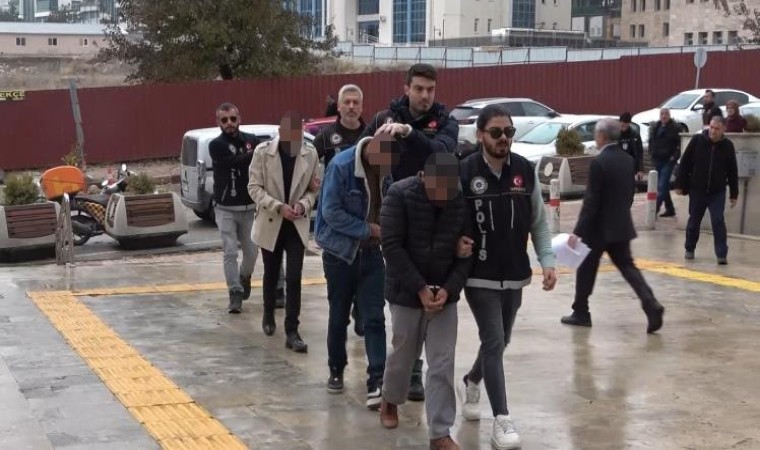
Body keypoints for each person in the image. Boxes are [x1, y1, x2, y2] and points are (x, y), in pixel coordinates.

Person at [456, 105, 557, 450]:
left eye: (509, 132)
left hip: (515, 273)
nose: (503, 138)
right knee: (494, 339)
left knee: (500, 340)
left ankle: (472, 380)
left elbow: (539, 222)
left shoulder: (525, 171)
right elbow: (450, 218)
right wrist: (454, 243)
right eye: (496, 132)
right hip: (479, 274)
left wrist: (547, 261)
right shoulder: (465, 171)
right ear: (480, 135)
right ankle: (501, 419)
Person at [361, 62, 459, 402]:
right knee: (403, 292)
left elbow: (441, 153)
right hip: (397, 213)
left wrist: (408, 133)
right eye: (418, 89)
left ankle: (418, 370)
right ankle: (409, 370)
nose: (424, 95)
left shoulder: (445, 122)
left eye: (430, 90)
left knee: (430, 289)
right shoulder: (383, 118)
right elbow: (363, 156)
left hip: (435, 216)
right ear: (406, 88)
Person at [379, 152, 472, 450]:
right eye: (437, 190)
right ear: (424, 177)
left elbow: (468, 251)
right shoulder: (399, 195)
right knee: (404, 355)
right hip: (406, 292)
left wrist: (449, 288)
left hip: (444, 293)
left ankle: (440, 433)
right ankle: (390, 398)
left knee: (442, 362)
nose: (443, 197)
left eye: (449, 190)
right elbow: (391, 247)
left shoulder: (459, 200)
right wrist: (419, 288)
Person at [560, 118, 665, 334]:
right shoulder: (627, 160)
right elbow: (629, 193)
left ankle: (581, 312)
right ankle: (650, 303)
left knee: (586, 268)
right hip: (620, 224)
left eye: (596, 134)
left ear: (602, 136)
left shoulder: (599, 162)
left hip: (598, 228)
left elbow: (591, 201)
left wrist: (578, 232)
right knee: (627, 266)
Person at [314, 133, 394, 408]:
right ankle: (336, 368)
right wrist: (368, 229)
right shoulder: (341, 166)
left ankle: (377, 381)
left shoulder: (387, 169)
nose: (385, 169)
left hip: (372, 255)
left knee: (375, 318)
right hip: (340, 255)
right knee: (339, 316)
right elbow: (330, 212)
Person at [248, 112, 319, 352]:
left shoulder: (310, 153)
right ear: (280, 131)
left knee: (294, 276)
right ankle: (268, 312)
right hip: (272, 220)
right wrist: (278, 206)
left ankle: (292, 330)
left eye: (298, 132)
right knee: (271, 272)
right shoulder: (263, 152)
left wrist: (303, 205)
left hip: (296, 223)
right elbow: (254, 188)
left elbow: (313, 189)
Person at [314, 83, 367, 337]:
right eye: (347, 102)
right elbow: (307, 162)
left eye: (356, 102)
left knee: (365, 279)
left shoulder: (370, 136)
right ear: (339, 106)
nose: (351, 107)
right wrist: (312, 182)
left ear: (362, 107)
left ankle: (360, 311)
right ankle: (342, 316)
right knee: (338, 292)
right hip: (335, 220)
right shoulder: (326, 137)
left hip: (363, 216)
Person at [208, 103, 260, 314]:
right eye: (224, 120)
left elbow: (261, 160)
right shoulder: (216, 145)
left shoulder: (251, 140)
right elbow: (234, 162)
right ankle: (235, 292)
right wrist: (256, 152)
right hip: (225, 208)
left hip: (248, 207)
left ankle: (244, 276)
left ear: (239, 118)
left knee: (252, 252)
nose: (229, 123)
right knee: (230, 251)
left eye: (232, 119)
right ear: (218, 122)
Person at [676, 116, 739, 265]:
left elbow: (732, 171)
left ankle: (721, 254)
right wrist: (680, 184)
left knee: (718, 220)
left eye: (717, 129)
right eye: (711, 127)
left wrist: (734, 194)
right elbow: (684, 163)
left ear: (723, 129)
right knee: (694, 221)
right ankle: (689, 248)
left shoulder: (728, 146)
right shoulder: (697, 141)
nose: (713, 131)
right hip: (697, 190)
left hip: (717, 192)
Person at [648, 108, 681, 218]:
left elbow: (680, 145)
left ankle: (654, 210)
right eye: (662, 114)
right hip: (657, 159)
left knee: (661, 186)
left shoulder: (675, 128)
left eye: (666, 114)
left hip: (668, 160)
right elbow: (651, 141)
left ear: (669, 115)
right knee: (664, 186)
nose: (664, 116)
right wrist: (651, 152)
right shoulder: (656, 126)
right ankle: (670, 209)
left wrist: (674, 157)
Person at [618, 112, 644, 180]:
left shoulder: (635, 135)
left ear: (629, 124)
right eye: (622, 125)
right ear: (619, 123)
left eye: (626, 125)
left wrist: (640, 169)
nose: (624, 127)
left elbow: (639, 152)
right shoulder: (615, 135)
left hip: (631, 166)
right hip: (618, 166)